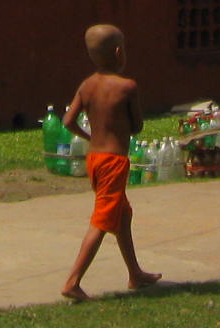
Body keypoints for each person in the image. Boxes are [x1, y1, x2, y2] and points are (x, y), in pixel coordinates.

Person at [60, 24, 161, 301]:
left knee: (122, 215)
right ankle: (72, 282)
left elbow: (68, 121)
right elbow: (137, 126)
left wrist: (89, 135)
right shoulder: (127, 87)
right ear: (119, 53)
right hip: (114, 161)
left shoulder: (86, 85)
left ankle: (135, 274)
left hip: (94, 159)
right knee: (102, 220)